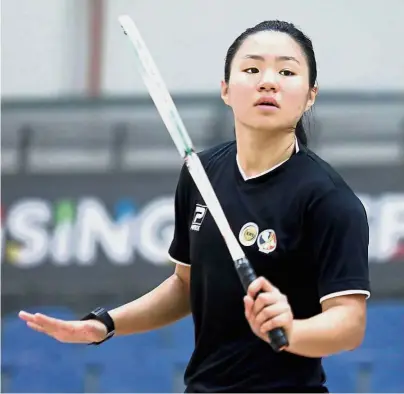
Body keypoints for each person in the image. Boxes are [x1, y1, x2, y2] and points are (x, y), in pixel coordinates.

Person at [19, 20, 370, 393]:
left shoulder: (328, 199)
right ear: (225, 89)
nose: (268, 81)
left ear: (310, 94)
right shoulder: (200, 173)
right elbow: (186, 286)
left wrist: (292, 330)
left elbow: (349, 325)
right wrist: (105, 324)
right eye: (251, 69)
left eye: (286, 71)